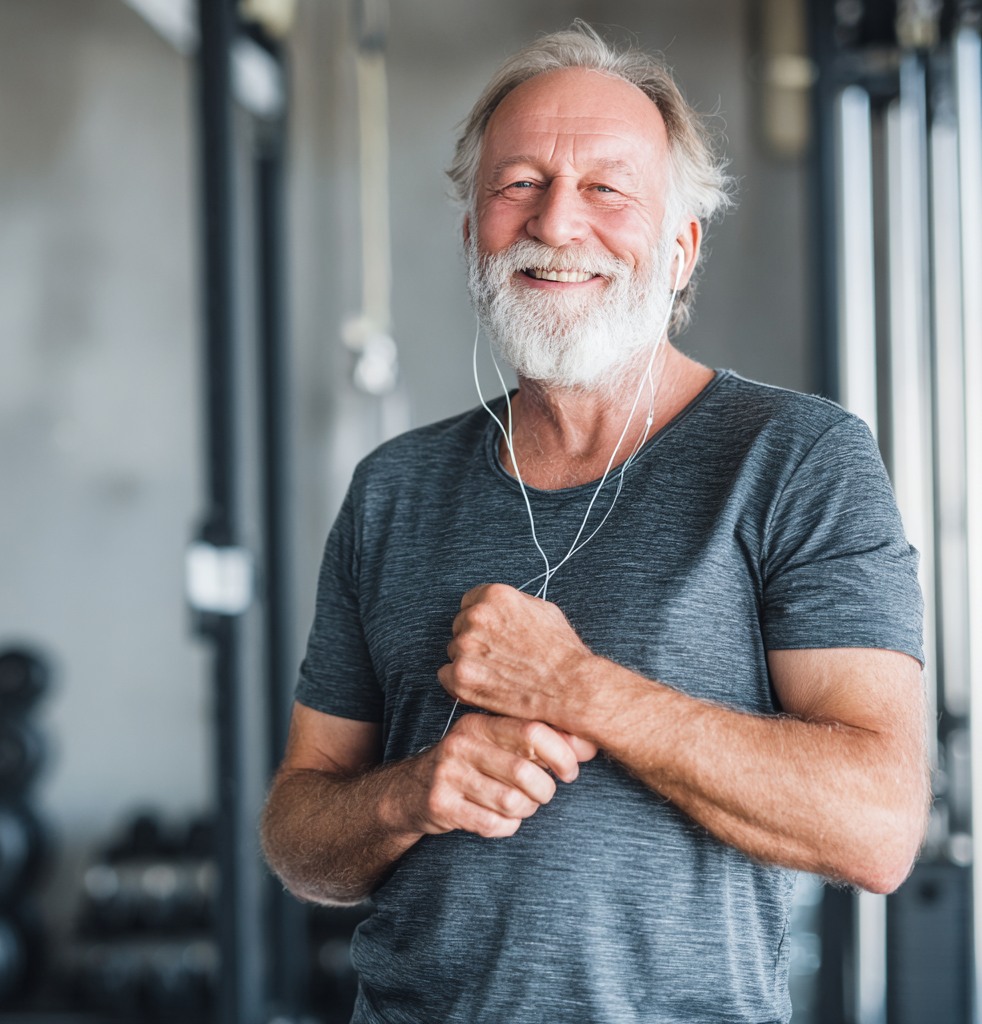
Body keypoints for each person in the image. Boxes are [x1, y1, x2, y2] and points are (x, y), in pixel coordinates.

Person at [262, 23, 929, 1024]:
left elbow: (877, 826)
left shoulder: (794, 458)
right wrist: (410, 794)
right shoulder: (393, 487)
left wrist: (579, 688)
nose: (557, 223)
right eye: (518, 184)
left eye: (607, 189)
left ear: (680, 246)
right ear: (472, 233)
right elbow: (297, 834)